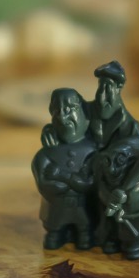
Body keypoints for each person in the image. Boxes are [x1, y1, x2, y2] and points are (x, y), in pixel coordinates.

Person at [30, 88, 97, 251]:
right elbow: (42, 180)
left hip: (83, 207)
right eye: (57, 111)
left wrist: (63, 177)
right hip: (56, 207)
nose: (62, 116)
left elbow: (93, 182)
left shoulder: (92, 149)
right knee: (54, 232)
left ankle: (84, 237)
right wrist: (55, 187)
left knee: (84, 231)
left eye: (70, 109)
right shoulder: (46, 153)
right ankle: (56, 236)